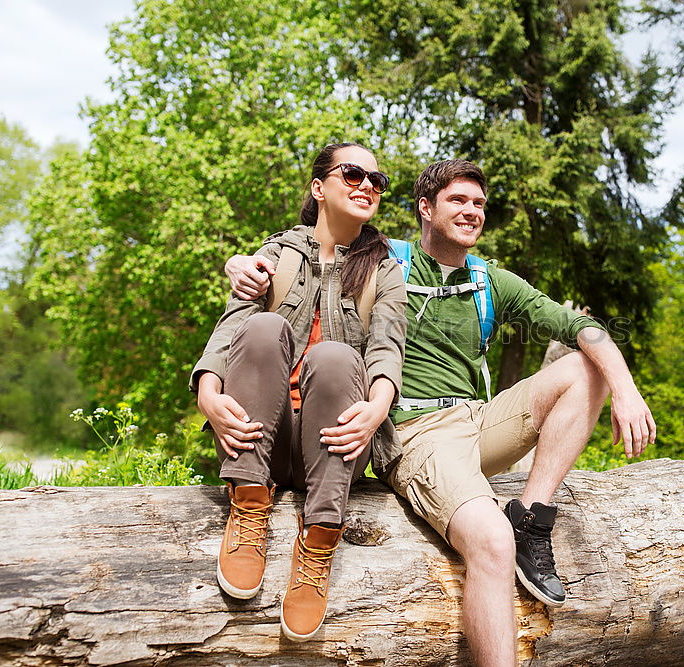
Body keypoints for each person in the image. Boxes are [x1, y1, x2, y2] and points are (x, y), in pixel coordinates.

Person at [225, 159, 655, 666]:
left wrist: (625, 388)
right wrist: (237, 261)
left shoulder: (490, 280)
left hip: (479, 420)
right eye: (458, 201)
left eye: (479, 204)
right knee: (490, 545)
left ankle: (530, 517)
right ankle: (503, 544)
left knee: (588, 368)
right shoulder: (386, 259)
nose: (472, 212)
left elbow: (581, 328)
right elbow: (312, 243)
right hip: (416, 431)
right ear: (425, 209)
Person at [191, 143, 406, 641]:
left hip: (333, 448)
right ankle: (247, 505)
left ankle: (319, 539)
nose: (368, 185)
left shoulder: (385, 269)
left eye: (378, 179)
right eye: (353, 173)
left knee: (334, 356)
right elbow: (231, 329)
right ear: (318, 187)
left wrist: (377, 408)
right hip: (261, 439)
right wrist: (206, 391)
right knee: (264, 326)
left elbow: (387, 346)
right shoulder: (273, 256)